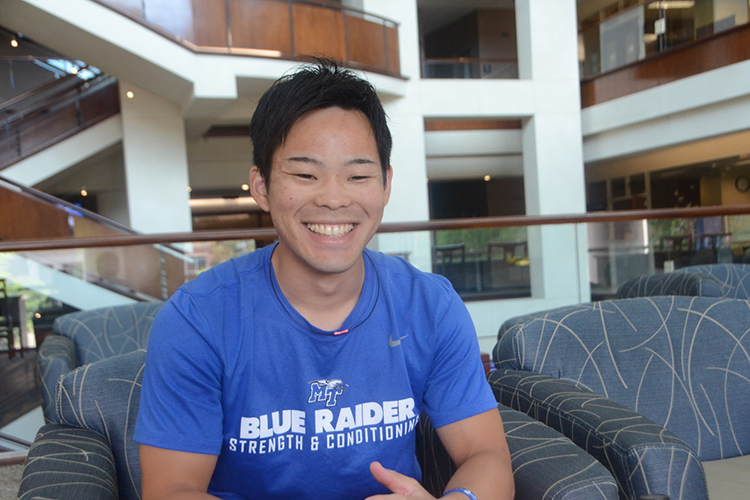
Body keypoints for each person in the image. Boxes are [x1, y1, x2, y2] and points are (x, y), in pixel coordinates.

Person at [135, 60, 514, 500]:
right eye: (305, 174)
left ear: (385, 185)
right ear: (261, 186)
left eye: (358, 176)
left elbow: (487, 455)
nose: (334, 199)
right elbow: (172, 491)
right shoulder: (197, 319)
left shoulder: (430, 305)